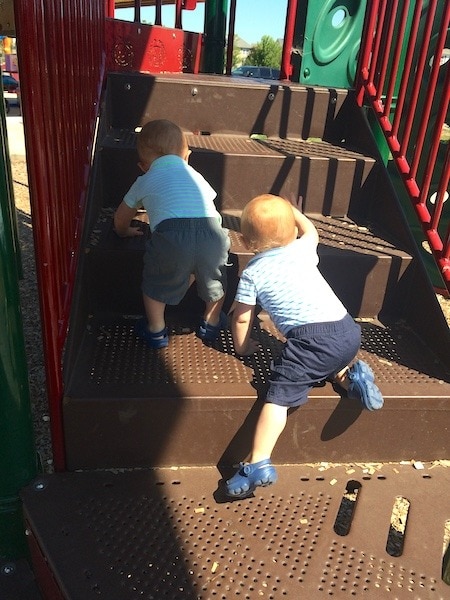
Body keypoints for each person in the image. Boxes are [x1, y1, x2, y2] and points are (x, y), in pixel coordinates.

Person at [226, 194, 383, 498]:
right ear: (292, 232)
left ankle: (257, 460)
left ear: (245, 242)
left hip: (312, 341)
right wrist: (295, 211)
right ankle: (351, 379)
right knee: (327, 361)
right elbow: (312, 231)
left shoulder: (253, 273)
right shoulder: (302, 248)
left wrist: (243, 348)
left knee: (278, 397)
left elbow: (242, 320)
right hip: (347, 331)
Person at [114, 119, 230, 348]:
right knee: (215, 282)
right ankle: (211, 321)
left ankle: (156, 330)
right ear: (186, 156)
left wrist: (123, 231)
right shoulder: (195, 175)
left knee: (156, 285)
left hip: (172, 238)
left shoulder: (145, 179)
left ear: (143, 166)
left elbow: (121, 216)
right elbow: (210, 201)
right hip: (212, 235)